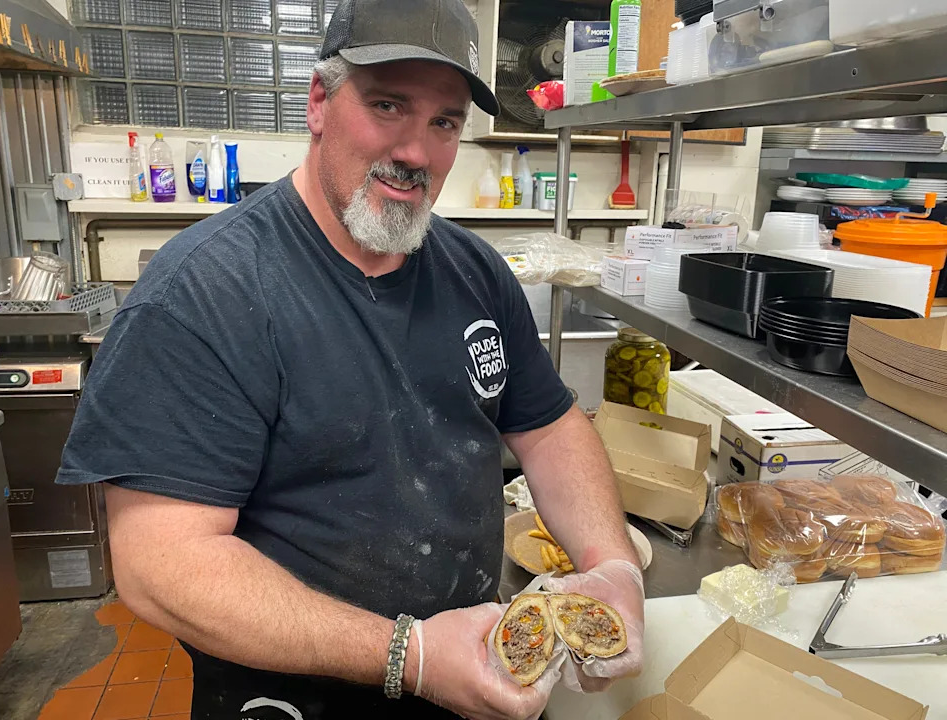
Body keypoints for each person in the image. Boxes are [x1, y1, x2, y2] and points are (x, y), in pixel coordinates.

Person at [56, 0, 645, 718]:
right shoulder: (206, 293)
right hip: (297, 690)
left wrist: (613, 565)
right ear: (318, 103)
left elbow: (549, 429)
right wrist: (409, 656)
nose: (416, 152)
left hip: (473, 668)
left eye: (444, 121)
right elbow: (161, 564)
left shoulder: (474, 272)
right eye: (387, 105)